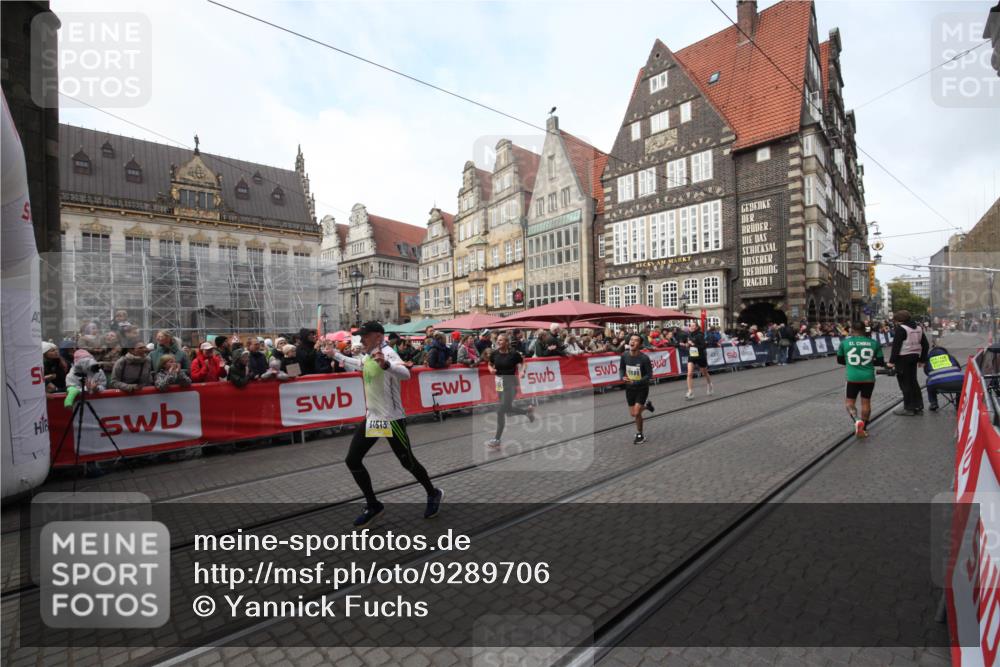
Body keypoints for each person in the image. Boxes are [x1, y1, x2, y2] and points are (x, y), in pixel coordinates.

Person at [333, 321, 443, 526]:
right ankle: (373, 505)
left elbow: (406, 374)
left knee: (407, 462)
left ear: (377, 336)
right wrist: (335, 355)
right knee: (352, 460)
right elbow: (360, 365)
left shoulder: (388, 353)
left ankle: (433, 492)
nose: (360, 340)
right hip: (373, 419)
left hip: (392, 420)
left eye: (364, 336)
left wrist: (386, 365)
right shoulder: (369, 354)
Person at [485, 333, 536, 449]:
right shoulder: (494, 353)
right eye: (498, 340)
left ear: (507, 342)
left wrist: (522, 371)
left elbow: (524, 363)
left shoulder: (514, 354)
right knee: (505, 410)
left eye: (501, 340)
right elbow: (489, 364)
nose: (499, 342)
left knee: (500, 410)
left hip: (511, 383)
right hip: (499, 383)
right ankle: (526, 412)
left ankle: (496, 439)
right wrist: (491, 369)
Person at [836, 321, 885, 438]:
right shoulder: (874, 343)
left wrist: (850, 362)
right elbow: (880, 362)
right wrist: (868, 361)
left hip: (852, 378)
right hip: (868, 378)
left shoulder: (845, 343)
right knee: (866, 402)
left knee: (849, 403)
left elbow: (840, 360)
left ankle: (857, 420)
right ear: (865, 330)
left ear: (852, 330)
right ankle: (864, 428)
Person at [887, 309, 929, 416]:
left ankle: (909, 408)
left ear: (898, 320)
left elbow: (896, 347)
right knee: (913, 382)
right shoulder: (919, 328)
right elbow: (926, 344)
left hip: (903, 359)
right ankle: (918, 406)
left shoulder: (901, 329)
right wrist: (922, 359)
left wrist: (891, 362)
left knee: (905, 383)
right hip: (914, 357)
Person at [620, 333, 655, 444]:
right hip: (629, 388)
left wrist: (636, 382)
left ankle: (640, 434)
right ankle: (647, 406)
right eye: (631, 340)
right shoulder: (624, 355)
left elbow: (649, 375)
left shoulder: (644, 358)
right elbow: (621, 369)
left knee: (636, 413)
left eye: (636, 340)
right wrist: (622, 376)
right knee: (633, 414)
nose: (632, 342)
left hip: (642, 388)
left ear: (640, 344)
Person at [924, 345, 963, 411]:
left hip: (939, 384)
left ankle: (933, 403)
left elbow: (927, 372)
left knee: (928, 381)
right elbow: (959, 368)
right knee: (960, 380)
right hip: (959, 384)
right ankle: (959, 404)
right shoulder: (950, 357)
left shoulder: (928, 359)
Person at [683, 322, 713, 400]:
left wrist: (692, 344)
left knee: (704, 373)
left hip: (700, 356)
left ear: (696, 327)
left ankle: (709, 384)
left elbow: (703, 346)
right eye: (690, 326)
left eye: (693, 326)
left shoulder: (700, 335)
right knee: (689, 373)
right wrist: (687, 345)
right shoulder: (689, 335)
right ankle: (690, 392)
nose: (691, 327)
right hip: (692, 356)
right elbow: (688, 345)